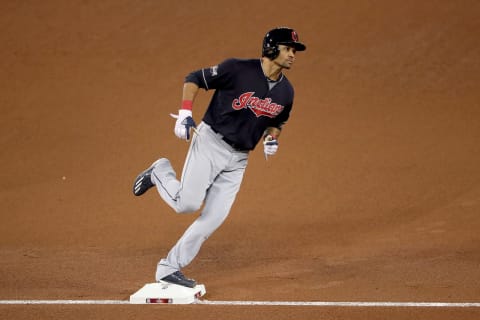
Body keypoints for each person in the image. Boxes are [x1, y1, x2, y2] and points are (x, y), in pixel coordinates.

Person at [132, 27, 306, 288]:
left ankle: (169, 267)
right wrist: (184, 113)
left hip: (239, 160)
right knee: (187, 205)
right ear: (271, 48)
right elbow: (194, 78)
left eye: (295, 50)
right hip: (211, 143)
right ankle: (160, 171)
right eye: (288, 48)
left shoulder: (286, 92)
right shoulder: (237, 69)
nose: (293, 54)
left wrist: (272, 138)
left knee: (214, 217)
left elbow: (278, 120)